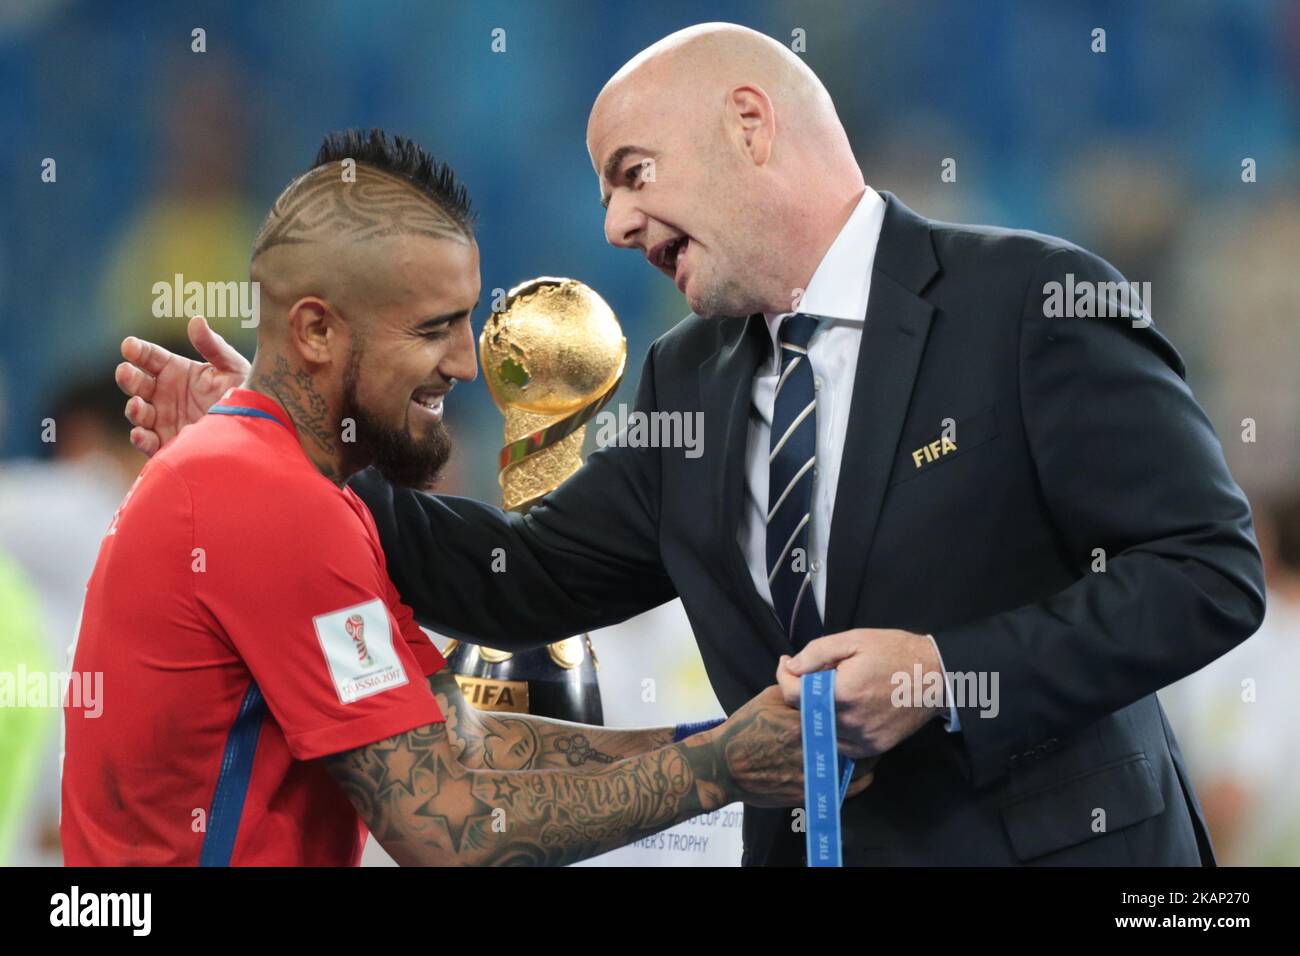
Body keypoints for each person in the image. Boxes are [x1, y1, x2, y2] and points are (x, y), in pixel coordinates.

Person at [119, 25, 1264, 866]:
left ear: (750, 126)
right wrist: (301, 456)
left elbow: (1205, 573)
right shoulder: (688, 374)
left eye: (631, 174)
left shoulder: (1030, 299)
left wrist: (943, 671)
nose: (614, 224)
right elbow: (533, 575)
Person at [67, 128, 847, 868]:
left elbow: (464, 742)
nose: (466, 365)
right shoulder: (268, 501)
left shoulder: (296, 492)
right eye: (434, 328)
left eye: (468, 320)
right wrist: (718, 770)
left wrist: (728, 741)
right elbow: (451, 830)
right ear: (315, 331)